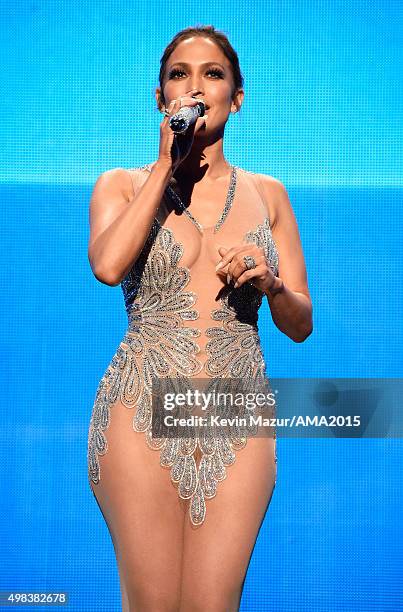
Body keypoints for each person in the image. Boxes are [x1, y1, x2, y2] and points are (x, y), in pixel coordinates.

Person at [87, 25, 312, 612]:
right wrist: (167, 163)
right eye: (178, 75)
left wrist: (272, 282)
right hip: (141, 410)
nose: (195, 87)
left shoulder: (269, 194)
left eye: (212, 74)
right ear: (160, 100)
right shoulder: (121, 184)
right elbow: (109, 265)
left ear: (236, 97)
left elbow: (300, 322)